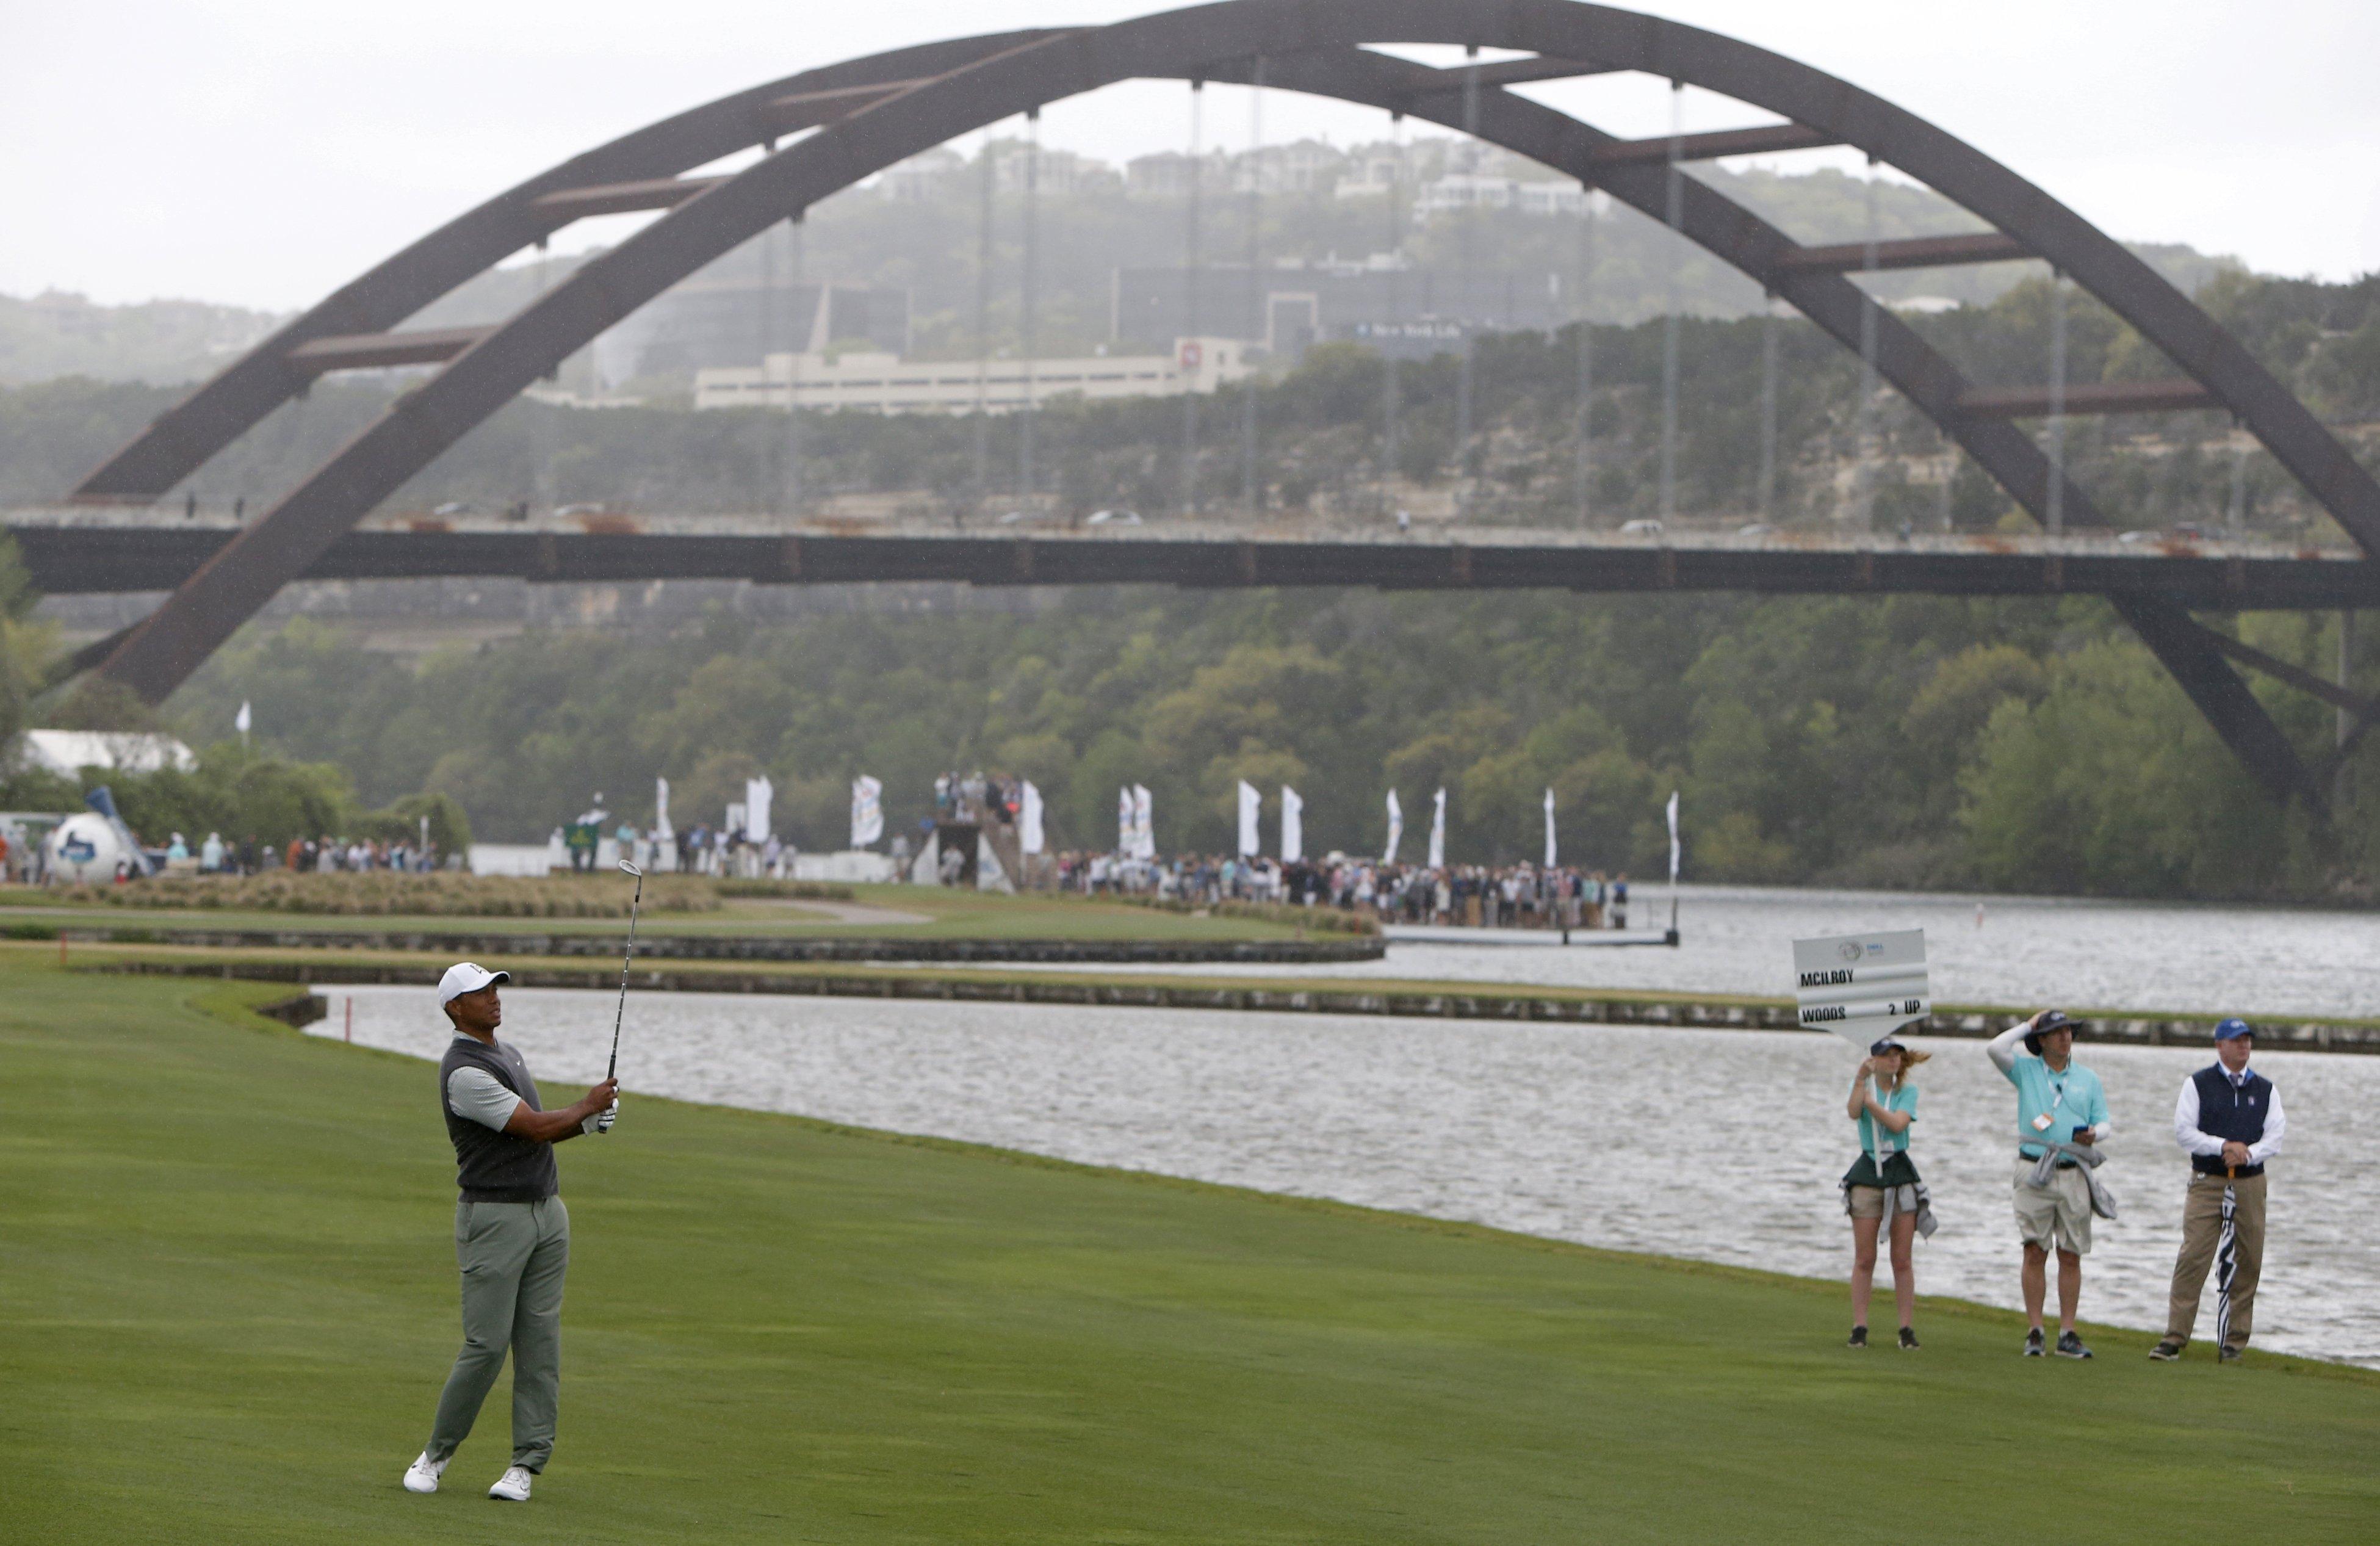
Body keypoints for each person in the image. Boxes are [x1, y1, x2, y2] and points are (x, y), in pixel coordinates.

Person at [403, 963, 618, 1503]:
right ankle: (436, 1453)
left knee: (540, 1344)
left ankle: (525, 1464)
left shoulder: (509, 1053)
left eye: (495, 988)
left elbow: (541, 1133)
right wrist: (586, 1106)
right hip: (494, 1217)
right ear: (456, 1007)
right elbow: (533, 1126)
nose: (494, 998)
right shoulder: (463, 1072)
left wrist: (589, 1121)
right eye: (480, 992)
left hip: (547, 1212)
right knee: (486, 1345)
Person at [2151, 1018, 2286, 1363]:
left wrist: (2247, 1153)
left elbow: (2275, 1136)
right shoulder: (2198, 1084)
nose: (2244, 1046)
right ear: (2220, 1045)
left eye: (2247, 1040)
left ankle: (2234, 1342)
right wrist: (2223, 1145)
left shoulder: (2266, 1089)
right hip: (2207, 1181)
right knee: (2194, 1255)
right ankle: (2175, 1336)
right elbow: (2184, 1132)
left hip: (2251, 1182)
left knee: (2248, 1259)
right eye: (2236, 1040)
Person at [1988, 1010, 2114, 1358]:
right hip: (2034, 1168)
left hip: (2074, 1169)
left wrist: (2095, 1134)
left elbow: (2104, 1122)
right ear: (2041, 1041)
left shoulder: (2088, 1078)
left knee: (2071, 1254)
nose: (2065, 1037)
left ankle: (2068, 1333)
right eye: (2056, 1032)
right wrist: (2028, 1025)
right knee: (2034, 1249)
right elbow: (1995, 1048)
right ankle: (2035, 1330)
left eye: (2069, 1031)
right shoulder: (2026, 1071)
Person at [1842, 1036, 1934, 1349]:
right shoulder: (1865, 1088)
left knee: (1902, 1259)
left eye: (1897, 1055)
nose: (1893, 1061)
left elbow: (1897, 1124)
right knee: (1865, 1257)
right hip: (1869, 1169)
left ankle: (1906, 1328)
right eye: (1887, 1055)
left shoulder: (1907, 1092)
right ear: (1874, 1060)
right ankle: (1859, 1327)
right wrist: (1859, 1081)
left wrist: (1872, 1104)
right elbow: (1854, 1112)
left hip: (1899, 1169)